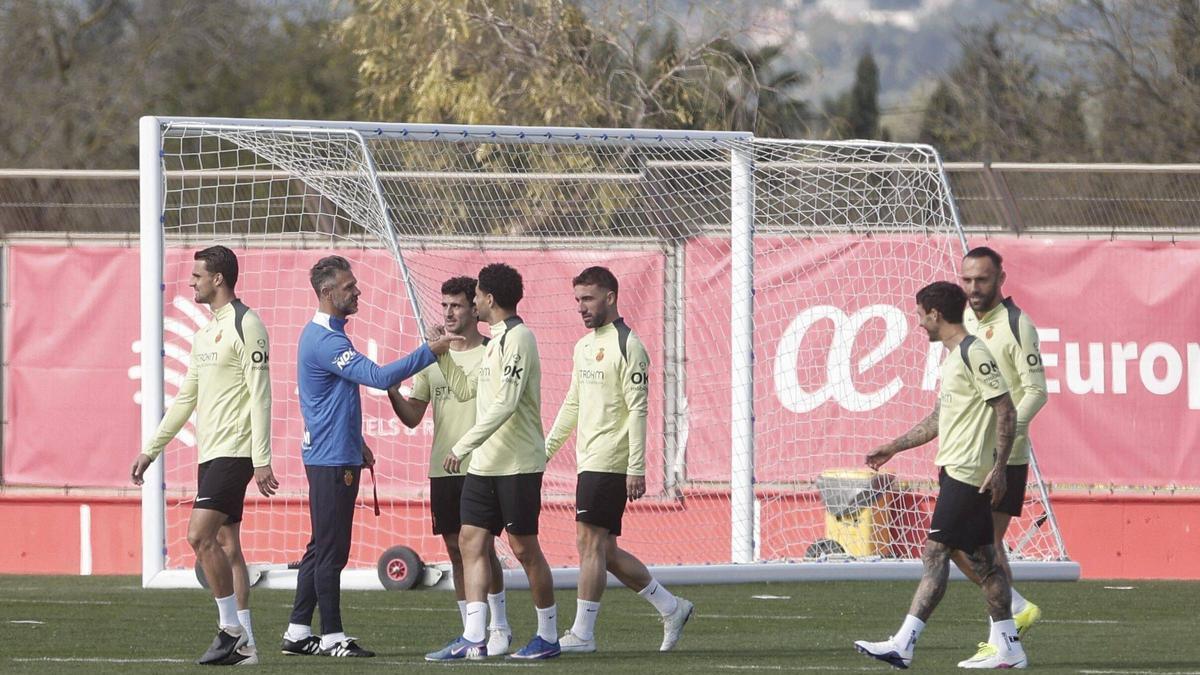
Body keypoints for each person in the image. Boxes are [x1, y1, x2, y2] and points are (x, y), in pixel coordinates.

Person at [281, 255, 460, 658]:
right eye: (348, 286)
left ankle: (296, 631)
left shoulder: (328, 334)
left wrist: (355, 438)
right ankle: (332, 637)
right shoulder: (325, 339)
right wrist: (433, 349)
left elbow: (330, 399)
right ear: (328, 293)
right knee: (332, 551)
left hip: (334, 452)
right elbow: (379, 378)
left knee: (320, 546)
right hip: (329, 460)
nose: (357, 291)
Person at [854, 281, 1028, 670]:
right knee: (986, 564)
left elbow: (1006, 407)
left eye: (920, 315)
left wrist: (999, 470)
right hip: (955, 472)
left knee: (935, 552)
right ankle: (1010, 647)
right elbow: (939, 417)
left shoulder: (973, 352)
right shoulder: (953, 358)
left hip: (970, 474)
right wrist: (895, 446)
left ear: (935, 314)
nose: (918, 325)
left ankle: (904, 642)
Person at [131, 245, 278, 666]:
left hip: (237, 451)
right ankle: (246, 646)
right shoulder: (204, 333)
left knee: (198, 536)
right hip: (209, 453)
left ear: (218, 279)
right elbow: (185, 399)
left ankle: (231, 630)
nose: (191, 281)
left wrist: (262, 457)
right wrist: (151, 450)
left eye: (197, 276)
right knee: (228, 546)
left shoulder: (247, 324)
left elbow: (260, 395)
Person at [544, 266, 694, 653]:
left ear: (610, 297)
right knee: (602, 550)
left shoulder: (630, 345)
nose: (581, 307)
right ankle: (670, 606)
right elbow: (572, 404)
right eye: (577, 299)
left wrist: (636, 467)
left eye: (588, 298)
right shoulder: (583, 346)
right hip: (588, 459)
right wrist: (544, 451)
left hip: (610, 461)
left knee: (590, 543)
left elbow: (639, 410)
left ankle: (582, 634)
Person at [425, 263, 560, 661]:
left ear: (489, 299)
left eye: (478, 294)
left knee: (524, 549)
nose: (474, 300)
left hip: (517, 463)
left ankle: (548, 636)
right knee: (471, 541)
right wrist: (442, 353)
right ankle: (473, 636)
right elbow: (470, 390)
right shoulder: (494, 342)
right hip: (484, 464)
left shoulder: (520, 339)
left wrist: (462, 444)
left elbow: (506, 402)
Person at [388, 276, 512, 656]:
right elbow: (413, 416)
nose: (448, 312)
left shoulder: (494, 352)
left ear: (475, 309)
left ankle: (500, 627)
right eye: (444, 306)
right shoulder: (431, 358)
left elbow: (477, 399)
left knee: (482, 548)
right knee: (456, 550)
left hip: (483, 466)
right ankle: (469, 631)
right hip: (443, 468)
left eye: (456, 305)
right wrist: (392, 388)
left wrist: (440, 353)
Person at [957, 246, 1048, 644]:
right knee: (977, 544)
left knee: (969, 543)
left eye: (982, 280)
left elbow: (1036, 391)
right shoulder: (963, 320)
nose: (974, 288)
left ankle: (1008, 622)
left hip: (1005, 453)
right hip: (970, 450)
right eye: (968, 280)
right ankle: (1008, 624)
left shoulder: (1017, 324)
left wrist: (1005, 431)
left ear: (1000, 279)